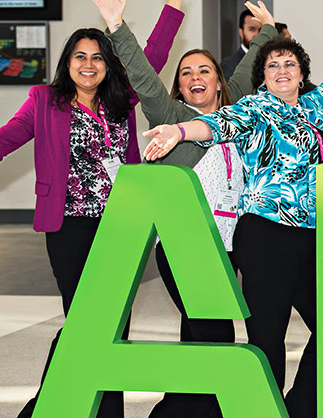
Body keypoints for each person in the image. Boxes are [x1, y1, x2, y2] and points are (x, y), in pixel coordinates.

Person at [0, 10, 178, 415]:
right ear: (66, 62)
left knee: (116, 324)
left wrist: (173, 6)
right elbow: (1, 142)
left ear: (108, 65)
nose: (88, 65)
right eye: (79, 57)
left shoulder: (123, 98)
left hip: (123, 224)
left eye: (97, 57)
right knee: (85, 320)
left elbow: (153, 55)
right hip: (69, 226)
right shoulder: (44, 101)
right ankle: (52, 403)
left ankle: (98, 411)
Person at [95, 0, 276, 416]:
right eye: (186, 72)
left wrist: (267, 30)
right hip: (184, 244)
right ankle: (197, 409)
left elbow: (249, 69)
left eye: (204, 71)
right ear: (179, 85)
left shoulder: (239, 110)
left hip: (231, 245)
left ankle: (177, 409)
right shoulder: (172, 114)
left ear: (218, 82)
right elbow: (141, 74)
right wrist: (115, 24)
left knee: (199, 335)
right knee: (215, 335)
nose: (195, 77)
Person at [143, 36, 323, 418]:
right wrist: (179, 132)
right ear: (262, 77)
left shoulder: (315, 107)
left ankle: (297, 407)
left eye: (290, 65)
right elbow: (216, 123)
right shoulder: (254, 108)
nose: (282, 71)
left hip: (313, 236)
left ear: (302, 75)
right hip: (266, 233)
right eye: (273, 66)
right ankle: (261, 411)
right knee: (268, 337)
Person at [220, 8, 261, 80]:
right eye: (252, 29)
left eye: (261, 30)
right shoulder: (229, 65)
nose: (257, 34)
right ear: (241, 32)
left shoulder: (269, 60)